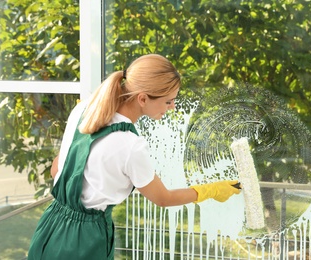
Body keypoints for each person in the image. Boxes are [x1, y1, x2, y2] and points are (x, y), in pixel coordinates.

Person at [28, 54, 241, 260]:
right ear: (142, 98)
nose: (173, 107)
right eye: (168, 101)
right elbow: (163, 198)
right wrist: (210, 190)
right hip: (84, 240)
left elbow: (57, 169)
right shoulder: (130, 145)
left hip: (50, 225)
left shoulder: (85, 109)